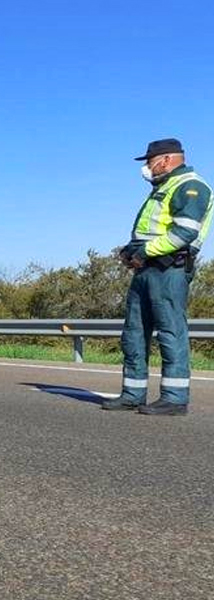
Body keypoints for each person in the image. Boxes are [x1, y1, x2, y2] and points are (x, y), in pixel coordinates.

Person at [102, 138, 212, 416]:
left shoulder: (191, 186)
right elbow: (148, 230)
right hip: (146, 269)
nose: (148, 168)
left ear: (166, 160)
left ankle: (174, 398)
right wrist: (130, 251)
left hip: (169, 270)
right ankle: (132, 394)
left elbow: (185, 232)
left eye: (150, 161)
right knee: (134, 333)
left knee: (170, 332)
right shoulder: (162, 188)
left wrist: (145, 252)